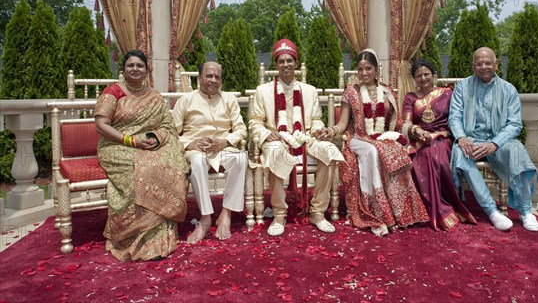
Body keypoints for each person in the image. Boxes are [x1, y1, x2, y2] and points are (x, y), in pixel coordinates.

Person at [94, 50, 190, 261]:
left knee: (169, 164)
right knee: (143, 169)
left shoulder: (153, 96)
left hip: (147, 143)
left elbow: (166, 125)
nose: (135, 69)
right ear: (124, 69)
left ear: (146, 70)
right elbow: (101, 125)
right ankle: (129, 235)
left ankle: (158, 236)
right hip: (117, 145)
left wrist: (156, 138)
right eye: (131, 65)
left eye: (140, 66)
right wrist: (132, 141)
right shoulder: (113, 92)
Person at [323, 49, 429, 236]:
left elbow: (396, 123)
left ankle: (400, 213)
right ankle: (374, 210)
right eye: (360, 69)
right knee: (373, 151)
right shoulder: (351, 92)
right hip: (358, 139)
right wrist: (330, 131)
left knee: (395, 149)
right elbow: (342, 123)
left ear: (376, 70)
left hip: (382, 138)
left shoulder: (387, 92)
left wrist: (414, 129)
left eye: (368, 68)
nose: (364, 73)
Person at [249, 39, 345, 237]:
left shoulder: (309, 90)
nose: (286, 65)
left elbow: (316, 120)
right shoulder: (263, 91)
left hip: (305, 138)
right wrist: (267, 134)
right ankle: (279, 213)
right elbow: (255, 123)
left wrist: (319, 131)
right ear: (276, 64)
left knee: (329, 151)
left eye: (289, 60)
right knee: (275, 152)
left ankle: (317, 212)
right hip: (278, 139)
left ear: (296, 63)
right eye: (281, 61)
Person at [448, 47, 538, 232]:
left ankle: (525, 210)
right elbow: (454, 116)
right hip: (472, 140)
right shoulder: (462, 87)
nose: (484, 67)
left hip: (500, 141)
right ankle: (492, 211)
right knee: (460, 152)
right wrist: (461, 137)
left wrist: (495, 143)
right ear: (473, 66)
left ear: (496, 64)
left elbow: (514, 124)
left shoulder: (508, 90)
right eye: (479, 63)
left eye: (488, 63)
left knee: (516, 151)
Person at [171, 61, 248, 242]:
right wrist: (190, 144)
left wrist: (224, 141)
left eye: (217, 77)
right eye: (209, 76)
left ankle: (226, 214)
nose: (213, 80)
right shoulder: (186, 101)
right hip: (196, 149)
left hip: (223, 147)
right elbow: (171, 132)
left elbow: (241, 129)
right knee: (198, 161)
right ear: (199, 78)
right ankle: (205, 218)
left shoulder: (229, 99)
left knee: (240, 159)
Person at [402, 59, 476, 231]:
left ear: (434, 75)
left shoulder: (447, 93)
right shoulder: (411, 97)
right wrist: (416, 131)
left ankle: (443, 206)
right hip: (420, 138)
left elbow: (457, 117)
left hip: (442, 137)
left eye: (426, 74)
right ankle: (423, 209)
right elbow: (405, 123)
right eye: (418, 75)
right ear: (414, 79)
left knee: (435, 155)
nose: (423, 78)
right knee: (414, 159)